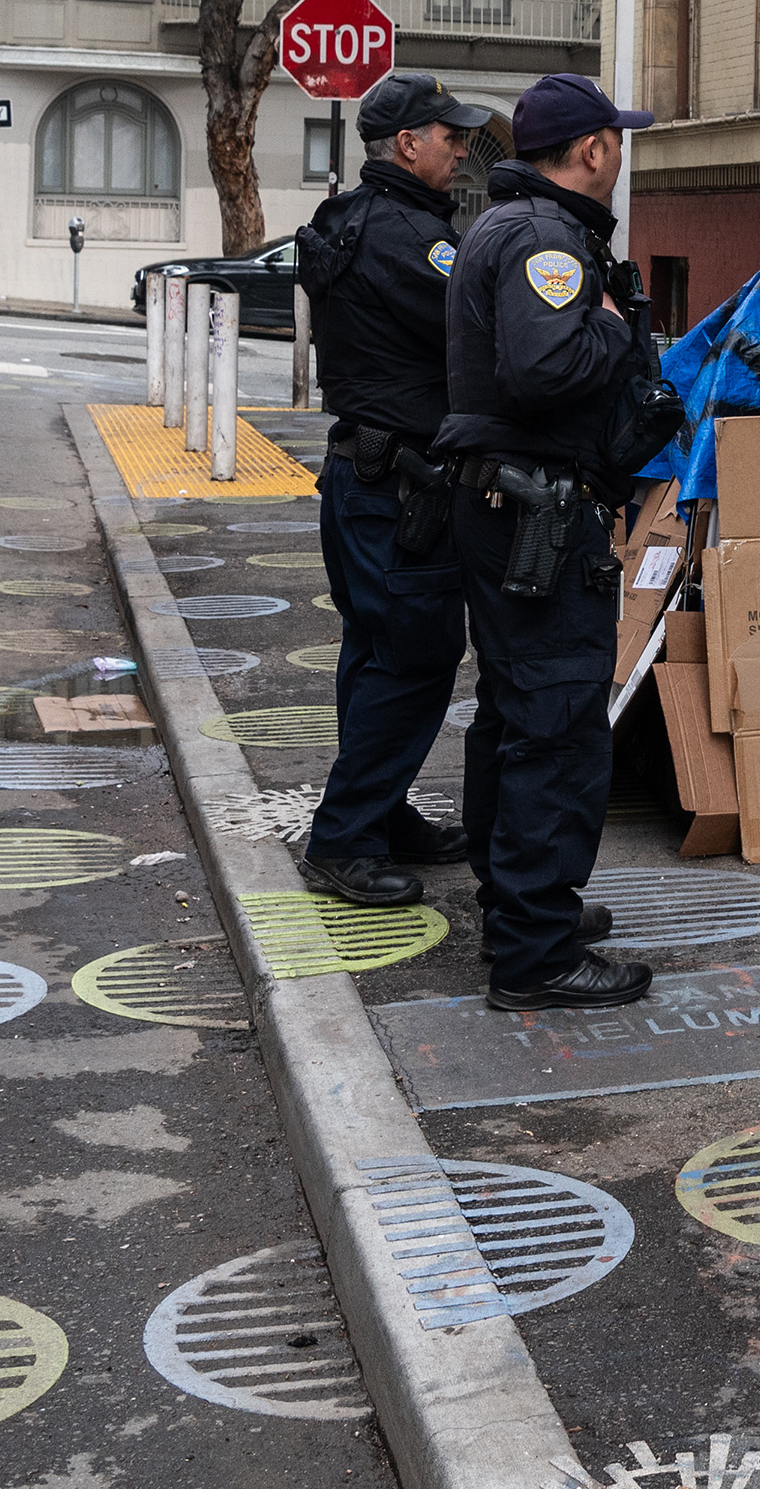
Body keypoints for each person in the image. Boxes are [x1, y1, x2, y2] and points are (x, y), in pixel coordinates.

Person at [434, 72, 665, 1012]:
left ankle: (520, 914)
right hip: (538, 515)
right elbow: (541, 368)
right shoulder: (543, 239)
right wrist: (611, 335)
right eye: (619, 140)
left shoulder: (507, 226)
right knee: (556, 725)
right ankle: (534, 954)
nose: (621, 155)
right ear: (595, 150)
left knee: (515, 715)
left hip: (513, 508)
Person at [290, 74, 487, 908]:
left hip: (360, 475)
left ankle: (381, 811)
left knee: (373, 651)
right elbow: (479, 333)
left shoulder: (345, 218)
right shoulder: (415, 240)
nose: (463, 148)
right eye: (451, 135)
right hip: (405, 484)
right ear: (408, 144)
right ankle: (343, 838)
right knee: (414, 657)